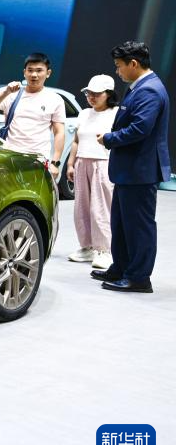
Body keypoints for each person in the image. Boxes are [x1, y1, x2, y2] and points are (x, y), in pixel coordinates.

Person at [91, 41, 171, 293]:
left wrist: (109, 139)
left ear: (133, 64)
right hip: (130, 169)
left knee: (138, 227)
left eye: (119, 66)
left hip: (140, 170)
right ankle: (121, 268)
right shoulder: (141, 86)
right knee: (122, 224)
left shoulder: (149, 91)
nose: (117, 71)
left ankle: (138, 278)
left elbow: (139, 129)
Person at [0, 52, 66, 179]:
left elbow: (59, 132)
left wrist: (55, 163)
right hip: (10, 157)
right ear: (24, 72)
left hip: (38, 159)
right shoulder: (12, 94)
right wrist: (6, 91)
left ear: (48, 73)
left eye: (39, 70)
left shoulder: (55, 99)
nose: (34, 75)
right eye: (30, 70)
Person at [66, 75, 118, 270]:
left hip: (103, 163)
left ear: (108, 94)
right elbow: (76, 141)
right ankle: (87, 247)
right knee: (81, 209)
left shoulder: (116, 113)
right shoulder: (84, 113)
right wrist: (70, 164)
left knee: (101, 208)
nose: (91, 97)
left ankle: (105, 250)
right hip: (82, 162)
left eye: (97, 94)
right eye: (89, 93)